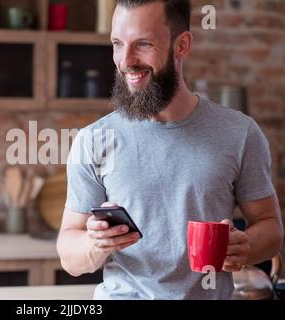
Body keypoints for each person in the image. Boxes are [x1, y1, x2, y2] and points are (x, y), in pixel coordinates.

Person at [56, 0, 283, 299]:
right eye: (117, 43)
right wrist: (96, 244)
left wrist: (247, 246)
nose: (126, 60)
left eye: (143, 44)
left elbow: (271, 229)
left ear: (182, 45)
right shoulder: (93, 140)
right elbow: (69, 253)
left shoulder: (239, 133)